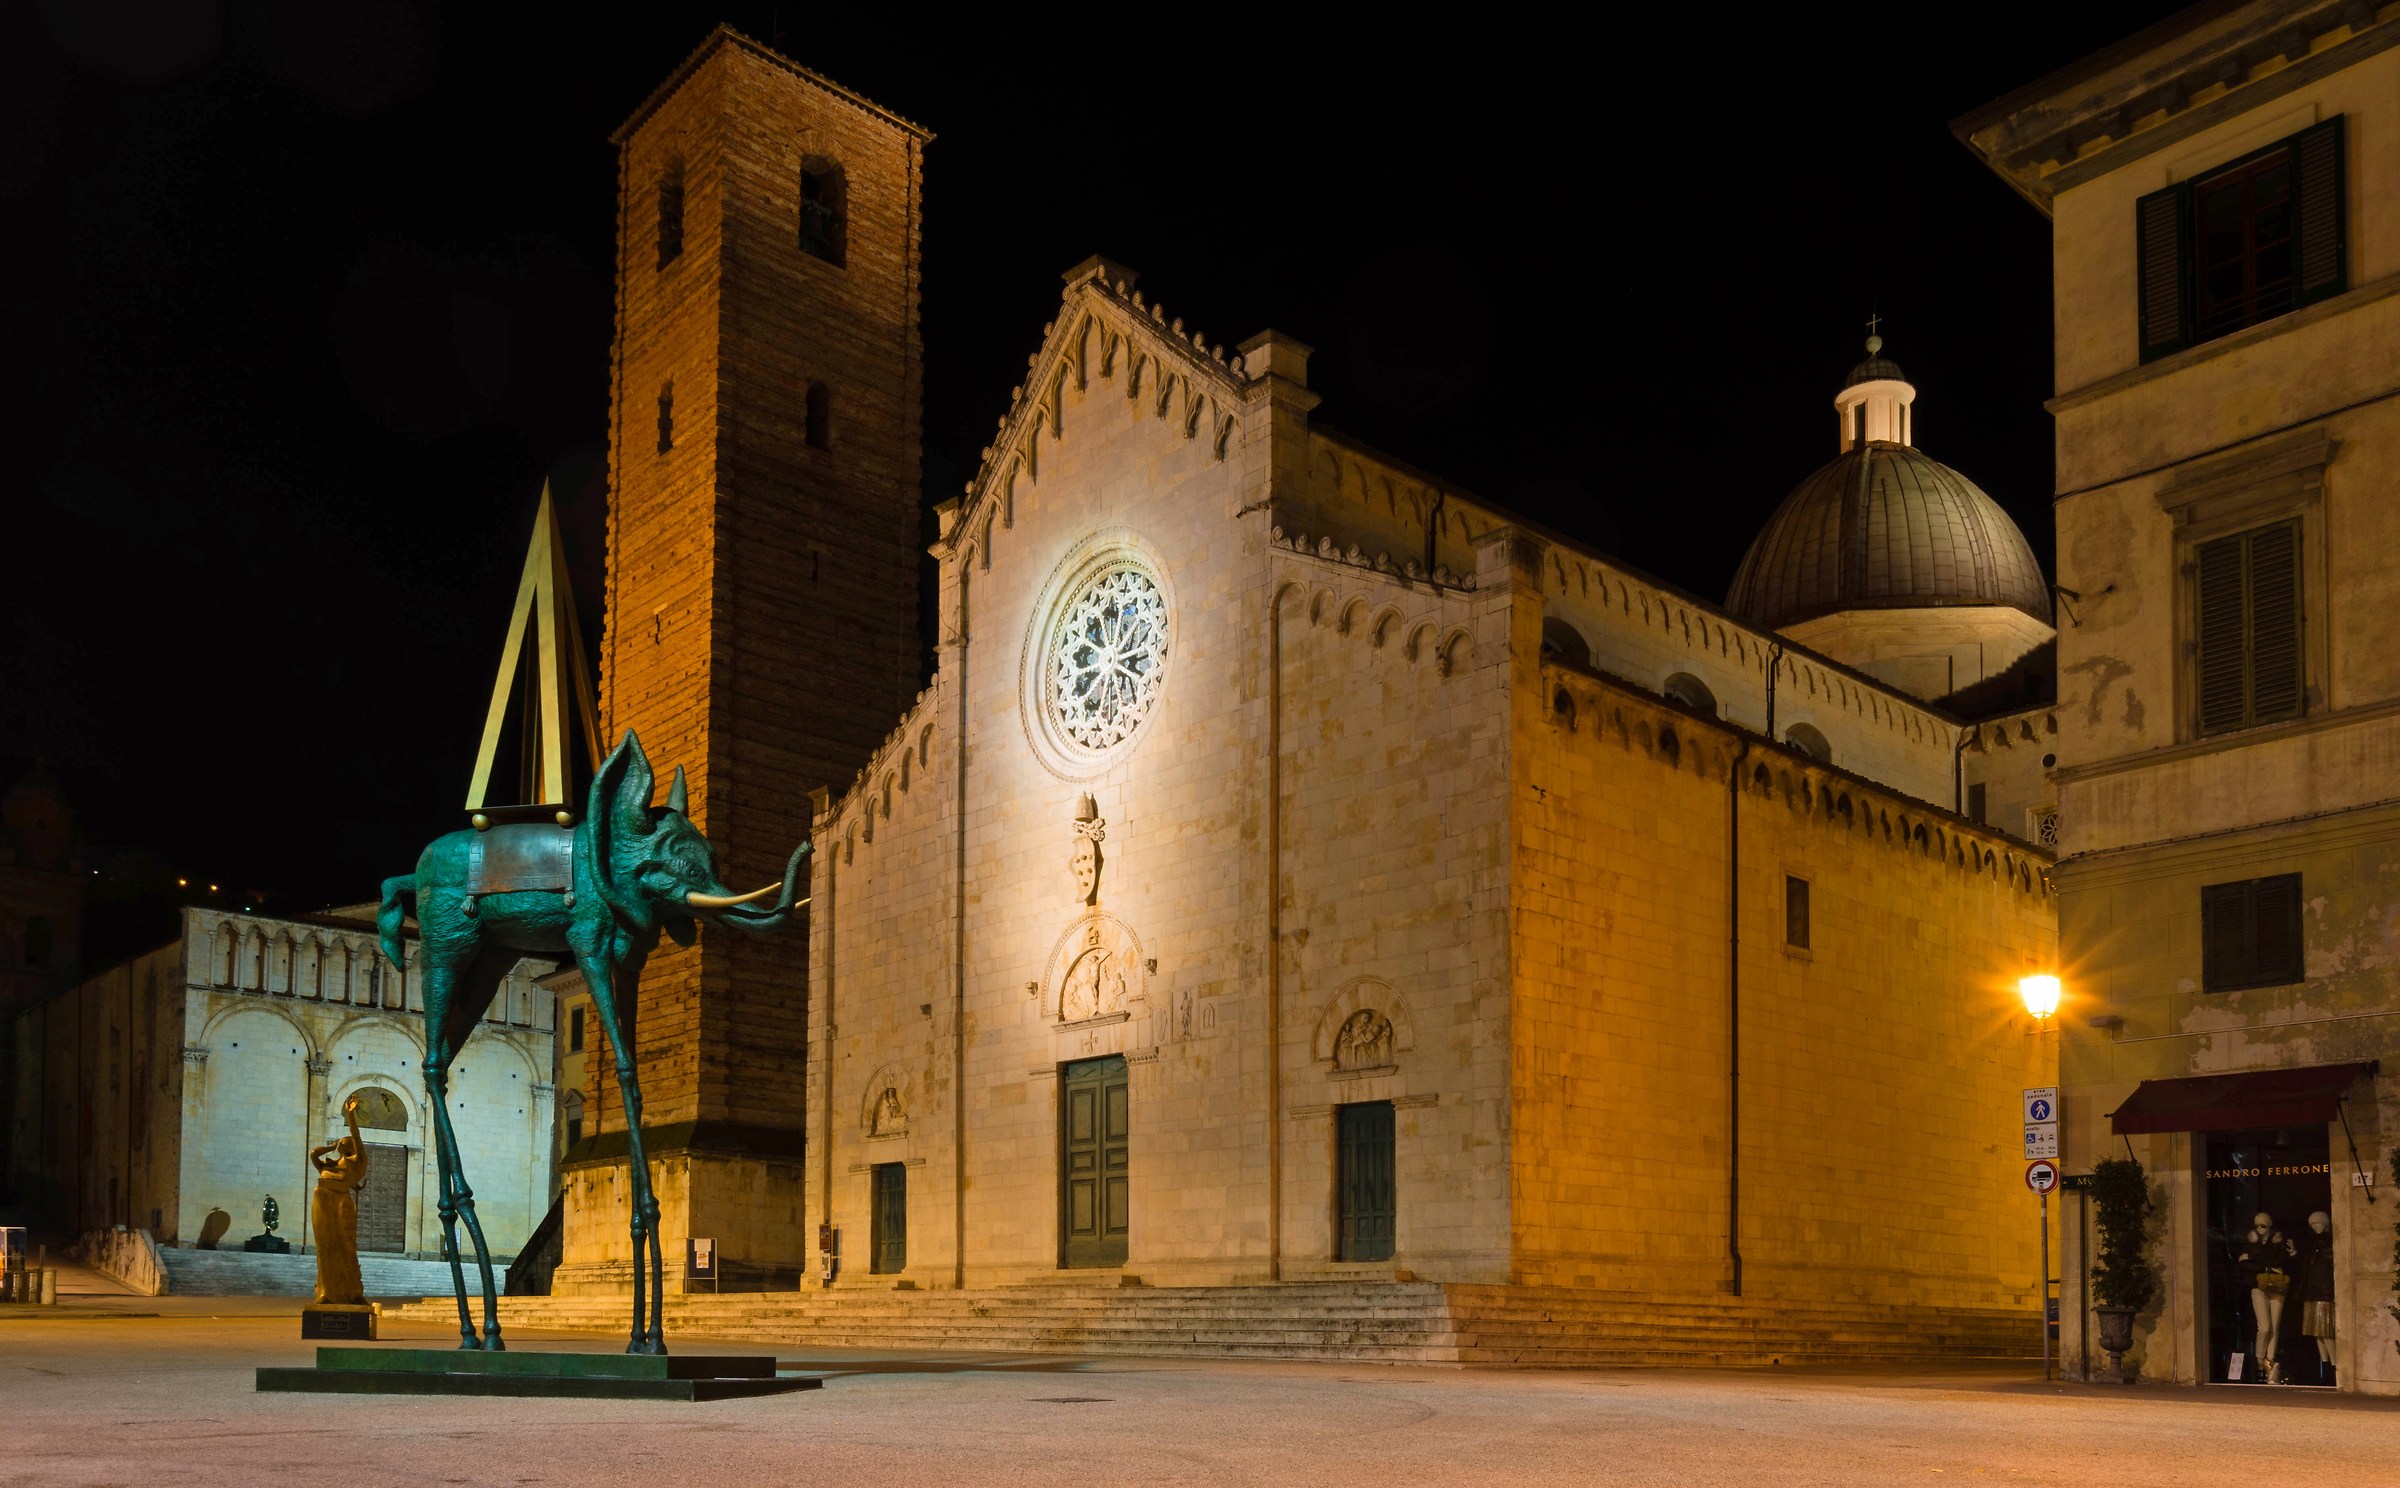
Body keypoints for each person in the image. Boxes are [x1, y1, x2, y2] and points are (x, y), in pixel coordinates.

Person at [308, 1095, 371, 1306]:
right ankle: (326, 1292)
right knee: (324, 1247)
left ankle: (354, 1292)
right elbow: (313, 1154)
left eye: (345, 1142)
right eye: (340, 1144)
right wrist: (330, 1148)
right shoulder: (329, 1164)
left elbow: (356, 1135)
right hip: (321, 1202)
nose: (342, 1144)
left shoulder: (357, 1163)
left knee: (346, 1246)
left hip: (341, 1203)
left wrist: (350, 1114)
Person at [2237, 1211, 2295, 1384]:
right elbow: (2244, 1264)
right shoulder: (2251, 1241)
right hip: (2258, 1287)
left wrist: (2255, 1258)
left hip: (2277, 1286)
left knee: (2274, 1327)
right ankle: (2260, 1360)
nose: (2260, 1229)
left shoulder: (2278, 1241)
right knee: (2265, 1327)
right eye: (2257, 1225)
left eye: (2263, 1225)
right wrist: (2263, 1263)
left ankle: (2269, 1365)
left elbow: (2281, 1261)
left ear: (2269, 1225)